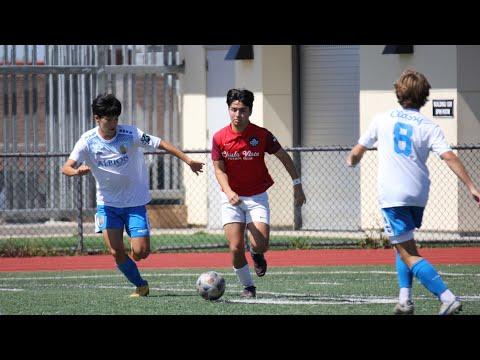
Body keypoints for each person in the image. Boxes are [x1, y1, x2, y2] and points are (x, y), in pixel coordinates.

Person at [347, 68, 480, 315]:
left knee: (408, 253)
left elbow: (357, 151)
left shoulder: (382, 118)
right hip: (418, 194)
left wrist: (352, 161)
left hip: (393, 195)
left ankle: (447, 296)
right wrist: (472, 186)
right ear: (424, 96)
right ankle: (405, 299)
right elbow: (449, 157)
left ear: (398, 92)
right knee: (404, 244)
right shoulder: (429, 125)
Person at [62, 93, 204, 297]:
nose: (113, 124)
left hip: (134, 203)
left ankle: (134, 248)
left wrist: (188, 160)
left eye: (115, 119)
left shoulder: (131, 133)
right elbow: (66, 167)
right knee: (115, 252)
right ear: (97, 118)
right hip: (108, 205)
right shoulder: (87, 141)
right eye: (108, 119)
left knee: (140, 252)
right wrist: (76, 171)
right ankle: (140, 285)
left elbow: (160, 143)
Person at [212, 88, 306, 298]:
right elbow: (218, 169)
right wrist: (228, 191)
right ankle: (248, 287)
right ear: (229, 110)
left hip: (256, 197)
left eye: (242, 110)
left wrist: (297, 185)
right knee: (235, 247)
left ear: (250, 111)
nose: (238, 114)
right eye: (234, 110)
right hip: (231, 198)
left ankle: (256, 254)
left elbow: (283, 157)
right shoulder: (219, 138)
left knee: (260, 243)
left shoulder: (262, 135)